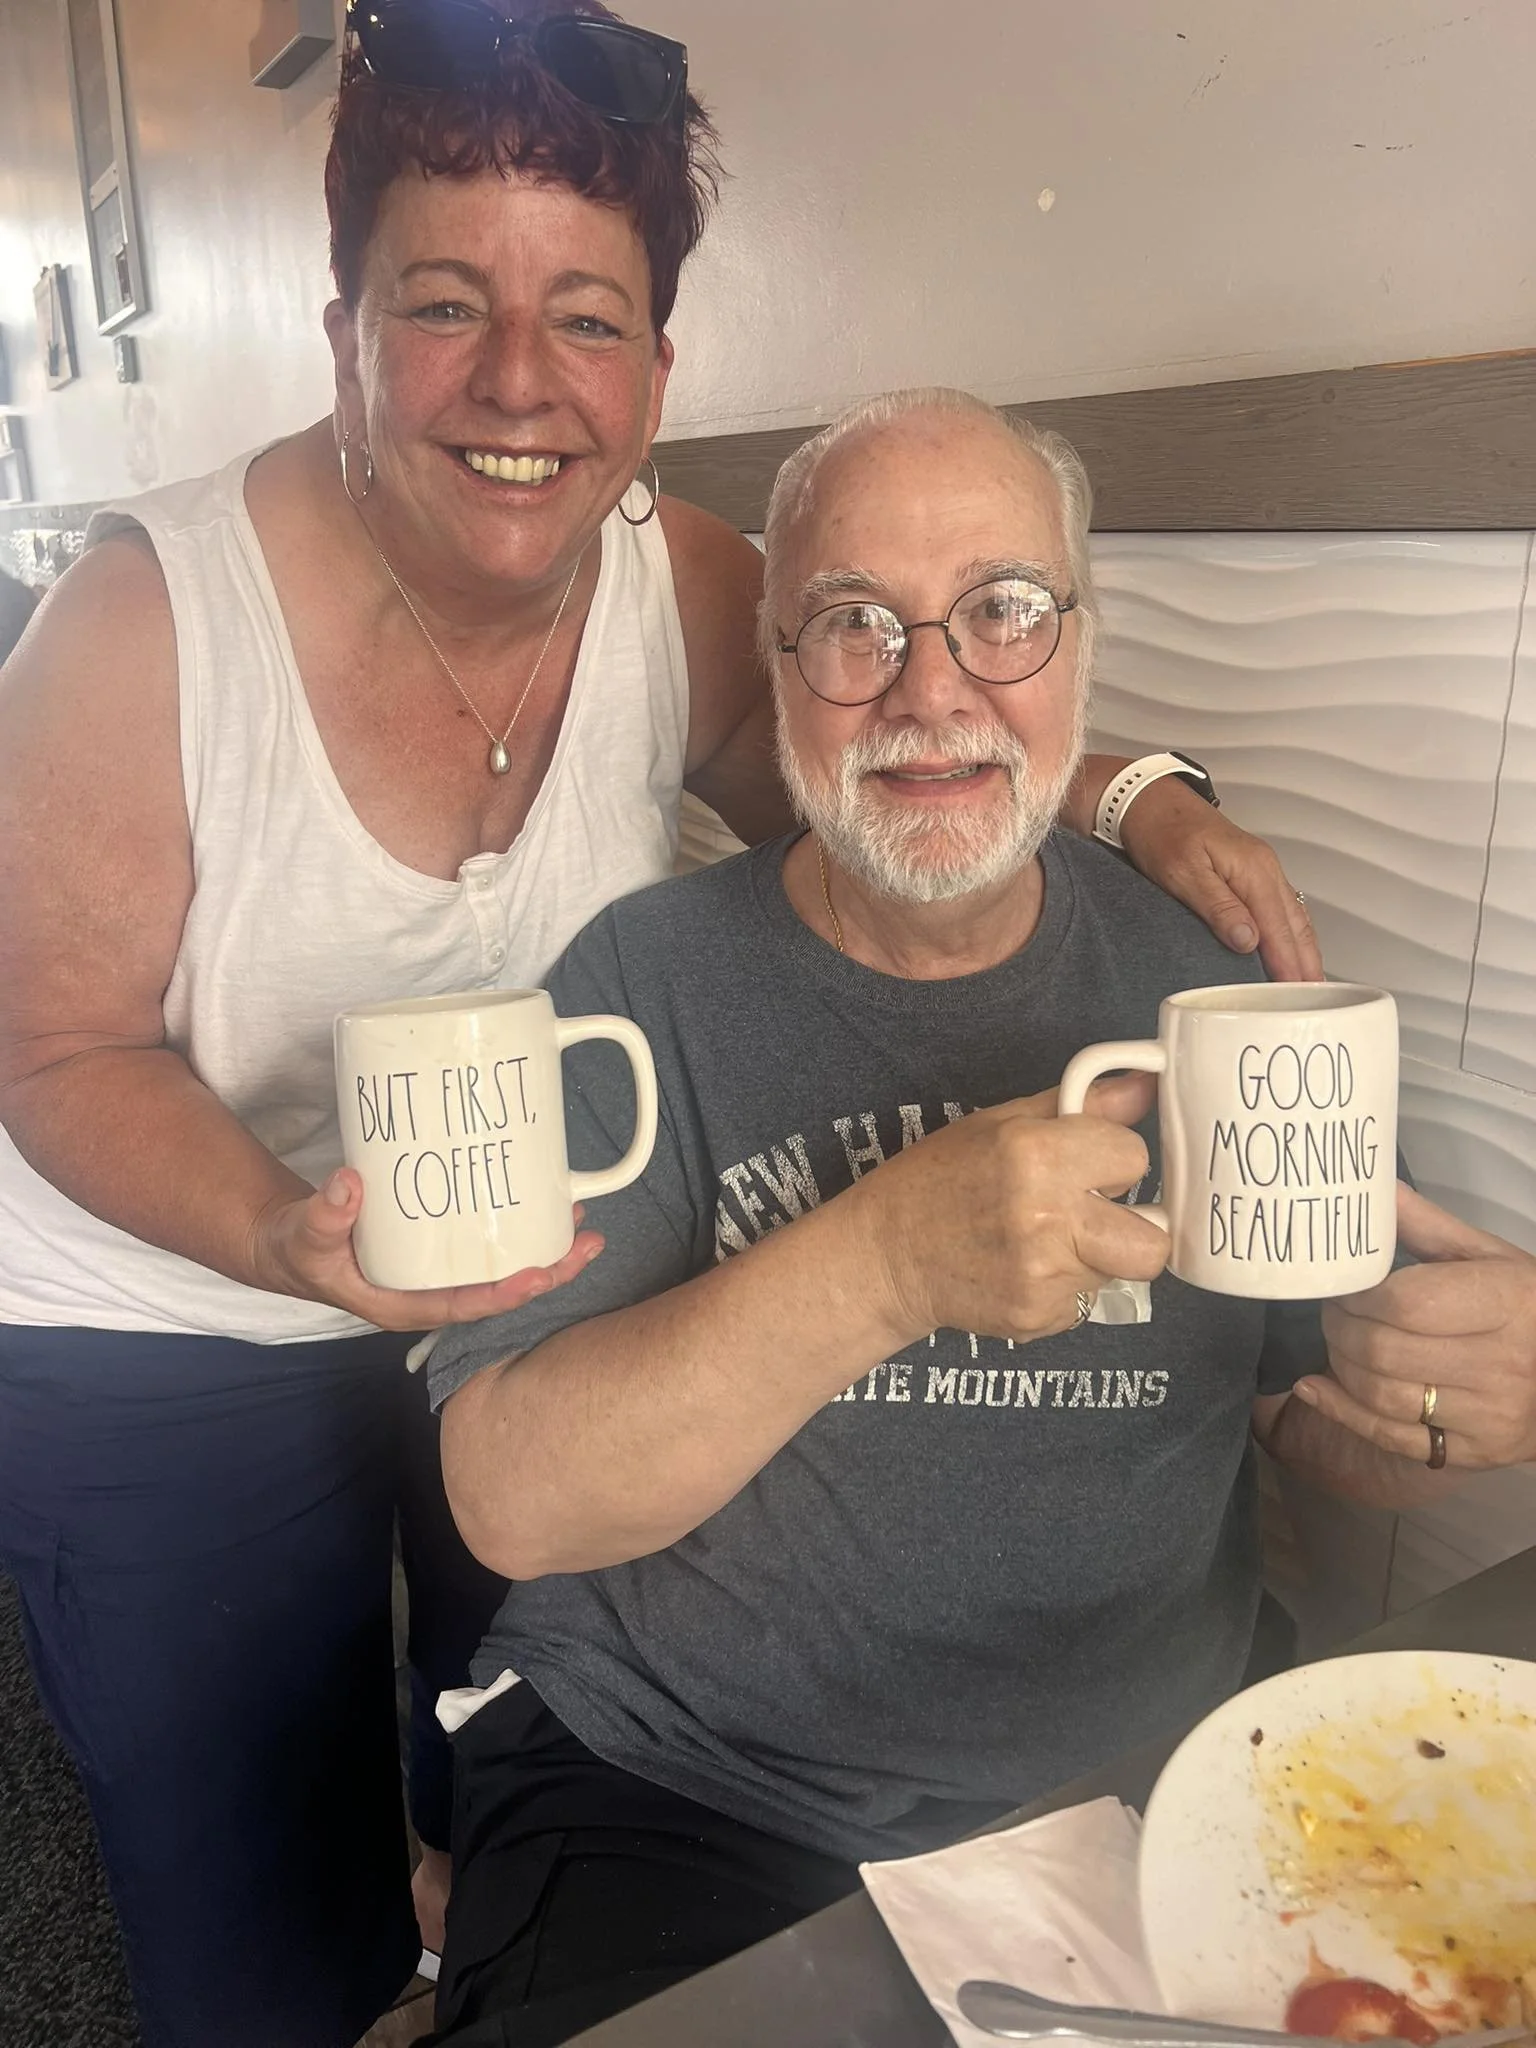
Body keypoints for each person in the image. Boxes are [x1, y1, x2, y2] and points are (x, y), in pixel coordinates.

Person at [0, 7, 1315, 2045]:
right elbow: (53, 1048)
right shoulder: (144, 616)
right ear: (343, 325)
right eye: (447, 305)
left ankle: (466, 1915)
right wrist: (279, 1235)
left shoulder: (687, 581)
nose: (522, 382)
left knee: (484, 1710)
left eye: (589, 319)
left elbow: (919, 713)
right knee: (243, 1879)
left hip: (494, 1244)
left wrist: (1141, 797)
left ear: (658, 369)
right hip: (186, 1307)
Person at [423, 388, 1536, 2047]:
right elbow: (511, 1495)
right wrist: (878, 1261)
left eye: (1002, 614)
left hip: (1145, 1770)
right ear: (781, 660)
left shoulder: (1222, 992)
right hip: (683, 1780)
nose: (932, 689)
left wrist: (1459, 1398)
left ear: (1079, 651)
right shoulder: (631, 987)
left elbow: (1312, 1418)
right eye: (856, 626)